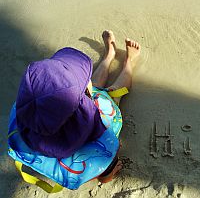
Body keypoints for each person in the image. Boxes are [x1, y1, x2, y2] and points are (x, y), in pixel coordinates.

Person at [13, 30, 141, 184]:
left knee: (94, 84)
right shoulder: (99, 125)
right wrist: (108, 174)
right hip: (97, 122)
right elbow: (103, 174)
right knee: (114, 91)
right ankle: (129, 62)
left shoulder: (31, 117)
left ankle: (108, 57)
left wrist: (84, 88)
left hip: (69, 128)